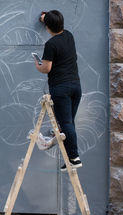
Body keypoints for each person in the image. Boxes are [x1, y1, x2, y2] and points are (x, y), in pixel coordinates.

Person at [34, 10, 82, 171]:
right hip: (75, 86)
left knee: (66, 123)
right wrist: (46, 18)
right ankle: (70, 159)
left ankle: (74, 158)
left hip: (61, 88)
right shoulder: (69, 36)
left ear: (47, 27)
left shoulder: (51, 45)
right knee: (68, 123)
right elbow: (54, 24)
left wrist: (37, 65)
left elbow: (46, 68)